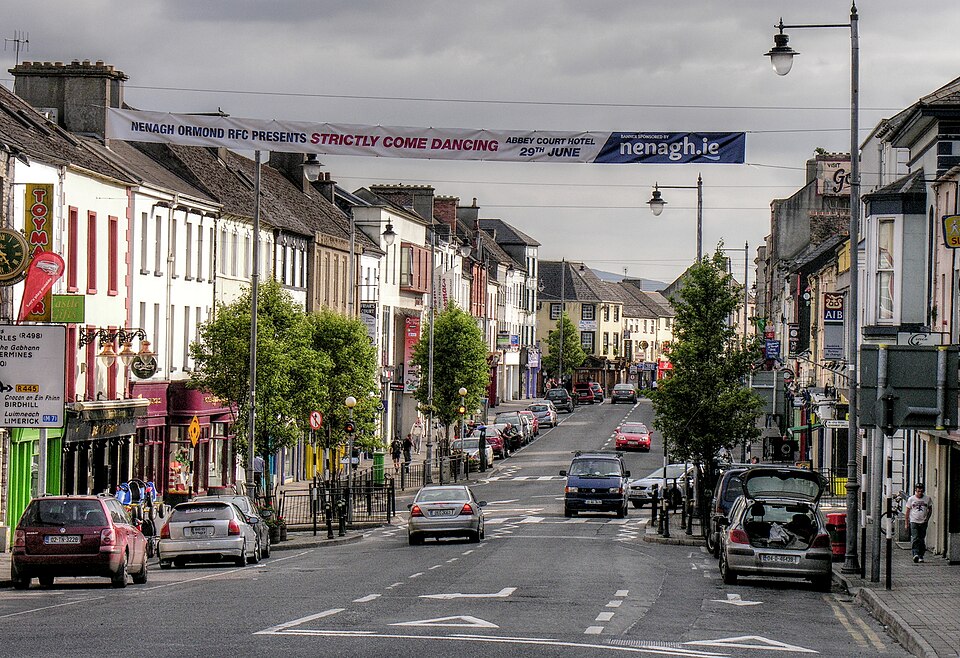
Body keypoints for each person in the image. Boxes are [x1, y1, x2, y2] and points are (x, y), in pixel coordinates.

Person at [905, 483, 933, 563]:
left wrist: (927, 518)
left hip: (923, 521)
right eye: (918, 491)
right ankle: (915, 554)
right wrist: (906, 523)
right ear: (915, 491)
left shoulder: (927, 499)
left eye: (921, 491)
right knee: (915, 538)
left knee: (921, 539)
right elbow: (907, 511)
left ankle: (921, 555)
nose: (920, 493)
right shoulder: (911, 499)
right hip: (914, 521)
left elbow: (930, 509)